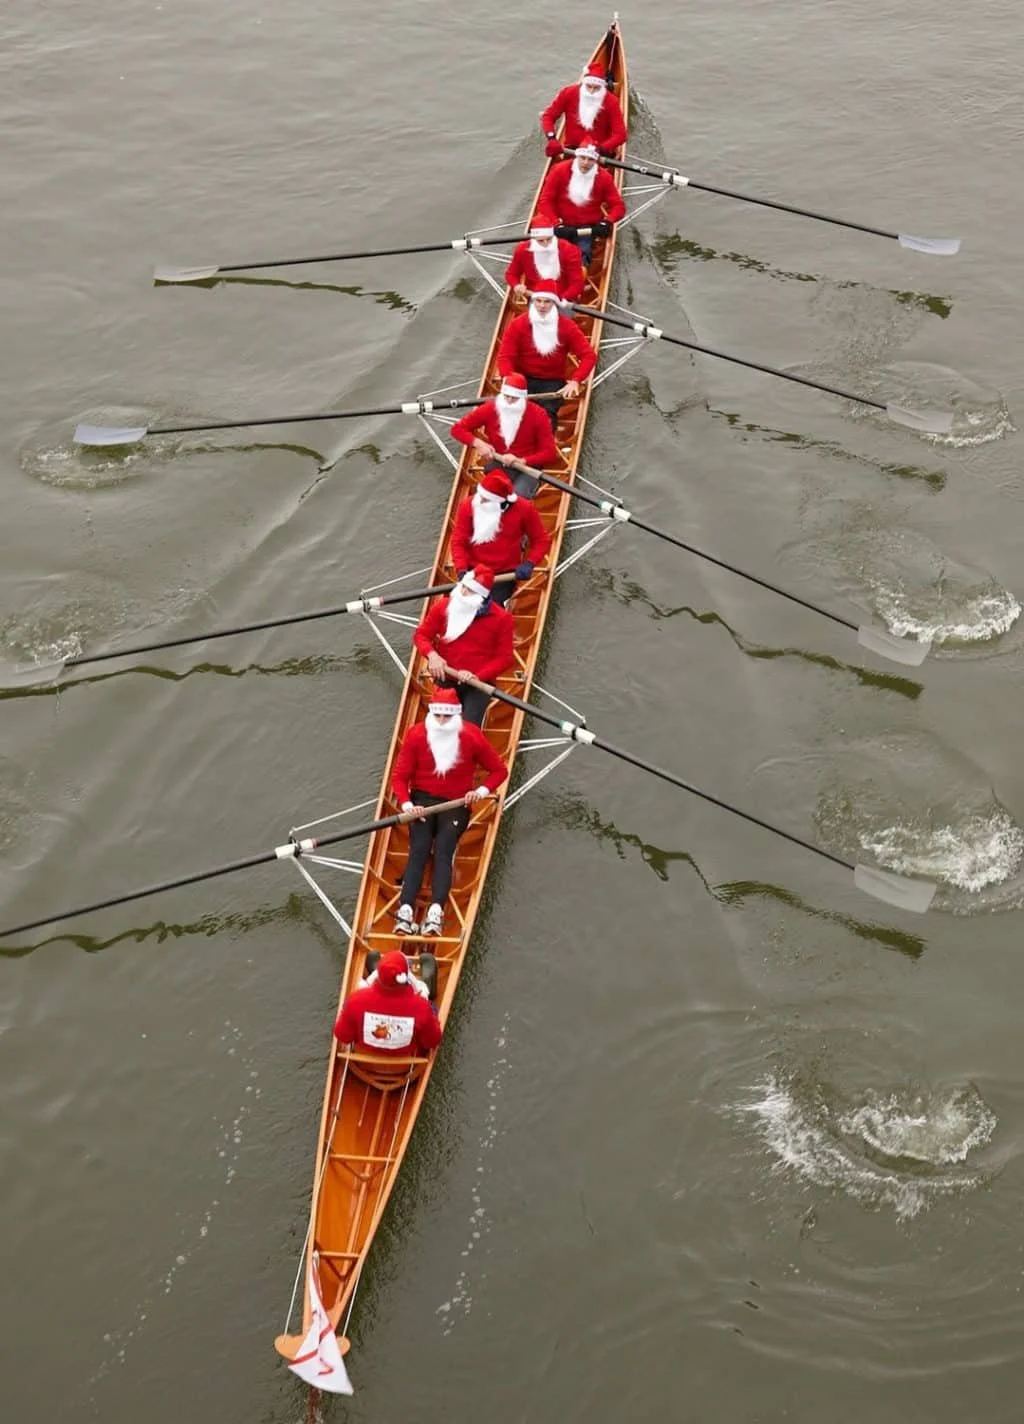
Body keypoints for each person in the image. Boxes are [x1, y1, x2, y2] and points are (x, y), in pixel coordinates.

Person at [390, 688, 508, 937]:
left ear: (456, 715)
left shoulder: (471, 736)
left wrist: (480, 792)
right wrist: (408, 806)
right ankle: (405, 911)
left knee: (444, 850)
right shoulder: (416, 735)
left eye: (447, 716)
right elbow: (399, 778)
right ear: (431, 714)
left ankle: (435, 912)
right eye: (438, 715)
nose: (442, 721)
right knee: (419, 849)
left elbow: (499, 771)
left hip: (456, 804)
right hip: (421, 803)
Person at [412, 567, 515, 725]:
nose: (463, 593)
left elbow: (505, 658)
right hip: (446, 675)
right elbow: (421, 635)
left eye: (470, 590)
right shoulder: (444, 606)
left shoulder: (502, 618)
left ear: (481, 596)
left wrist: (477, 676)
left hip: (478, 682)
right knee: (438, 724)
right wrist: (432, 656)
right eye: (463, 586)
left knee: (469, 728)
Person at [496, 281, 597, 431]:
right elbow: (505, 356)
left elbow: (589, 356)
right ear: (533, 302)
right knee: (512, 414)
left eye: (547, 301)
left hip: (552, 382)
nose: (542, 306)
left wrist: (576, 380)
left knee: (546, 417)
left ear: (554, 303)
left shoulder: (567, 327)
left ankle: (546, 441)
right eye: (538, 301)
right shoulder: (518, 324)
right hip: (521, 377)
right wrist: (507, 377)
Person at [450, 469, 551, 607]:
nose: (479, 501)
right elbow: (458, 541)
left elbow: (542, 540)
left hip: (504, 574)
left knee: (488, 608)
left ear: (500, 503)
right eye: (480, 495)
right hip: (472, 571)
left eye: (485, 499)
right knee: (461, 606)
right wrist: (461, 569)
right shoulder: (469, 505)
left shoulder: (524, 508)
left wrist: (530, 563)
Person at [450, 372, 558, 497]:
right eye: (507, 396)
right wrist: (478, 443)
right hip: (499, 461)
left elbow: (550, 454)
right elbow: (457, 429)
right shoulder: (489, 408)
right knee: (491, 495)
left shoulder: (539, 415)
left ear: (524, 398)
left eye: (515, 398)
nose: (509, 401)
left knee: (517, 496)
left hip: (529, 466)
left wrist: (522, 460)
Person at [334, 949, 442, 1060]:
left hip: (364, 1062)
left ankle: (375, 967)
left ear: (378, 975)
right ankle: (428, 987)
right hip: (404, 1064)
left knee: (348, 1006)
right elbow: (432, 1041)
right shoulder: (421, 1007)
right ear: (406, 977)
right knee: (431, 1008)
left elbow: (343, 1036)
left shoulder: (355, 1001)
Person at [539, 146, 626, 267]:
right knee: (548, 255)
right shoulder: (559, 170)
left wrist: (608, 221)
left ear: (596, 161)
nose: (585, 163)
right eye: (582, 158)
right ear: (576, 157)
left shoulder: (604, 177)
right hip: (560, 224)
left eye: (590, 159)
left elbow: (619, 206)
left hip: (586, 228)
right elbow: (545, 201)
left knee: (581, 255)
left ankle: (581, 269)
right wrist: (555, 223)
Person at [540, 63, 627, 159]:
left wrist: (601, 148)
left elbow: (621, 135)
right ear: (583, 83)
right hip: (572, 149)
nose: (591, 91)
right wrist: (552, 138)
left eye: (596, 88)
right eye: (588, 86)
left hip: (598, 151)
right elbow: (548, 116)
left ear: (602, 86)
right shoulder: (568, 93)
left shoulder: (611, 101)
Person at [504, 212, 585, 307]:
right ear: (534, 238)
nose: (546, 244)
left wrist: (558, 300)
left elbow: (577, 284)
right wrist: (516, 285)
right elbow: (511, 274)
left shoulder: (569, 250)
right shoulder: (522, 250)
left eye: (549, 239)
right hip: (536, 298)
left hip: (563, 298)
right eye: (541, 241)